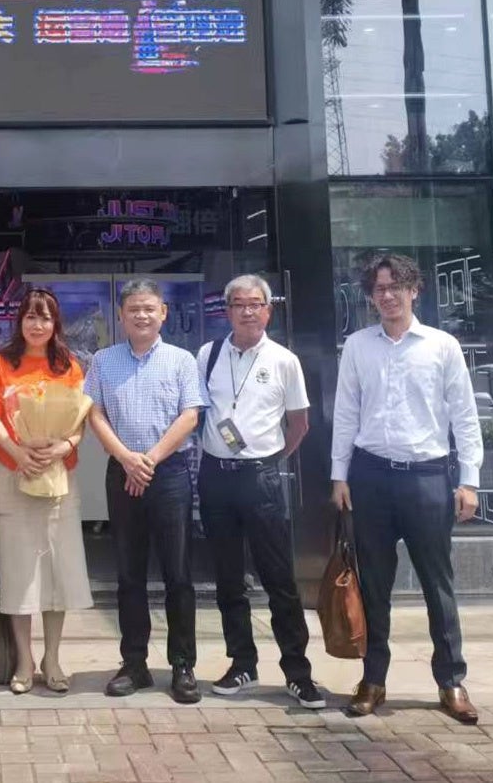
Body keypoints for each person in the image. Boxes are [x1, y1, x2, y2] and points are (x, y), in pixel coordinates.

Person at [331, 253, 483, 725]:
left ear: (415, 290)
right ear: (371, 296)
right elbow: (345, 413)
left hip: (427, 478)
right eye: (379, 288)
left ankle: (451, 681)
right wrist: (339, 474)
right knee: (374, 586)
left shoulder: (442, 346)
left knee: (438, 585)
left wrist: (470, 480)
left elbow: (465, 415)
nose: (388, 295)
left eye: (396, 286)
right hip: (371, 477)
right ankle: (373, 680)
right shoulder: (358, 346)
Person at [196, 275, 324, 708]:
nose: (247, 311)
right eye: (238, 304)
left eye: (255, 304)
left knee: (278, 578)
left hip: (261, 478)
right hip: (215, 476)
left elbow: (299, 424)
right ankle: (242, 663)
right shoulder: (208, 354)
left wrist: (270, 460)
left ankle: (298, 672)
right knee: (228, 578)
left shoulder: (285, 360)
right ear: (227, 310)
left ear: (268, 310)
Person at [84, 278, 205, 704]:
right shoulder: (103, 360)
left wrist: (148, 460)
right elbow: (94, 413)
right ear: (121, 315)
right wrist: (126, 459)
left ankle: (183, 665)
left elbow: (190, 416)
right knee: (129, 574)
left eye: (149, 307)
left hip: (168, 473)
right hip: (122, 473)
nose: (141, 315)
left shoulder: (181, 360)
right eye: (133, 308)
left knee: (178, 574)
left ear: (163, 313)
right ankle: (134, 663)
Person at [0, 287, 94, 695]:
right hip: (13, 474)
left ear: (55, 323)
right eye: (30, 316)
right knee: (19, 571)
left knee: (58, 570)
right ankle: (25, 661)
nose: (37, 324)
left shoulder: (69, 365)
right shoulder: (0, 364)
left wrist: (66, 446)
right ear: (20, 321)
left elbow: (81, 418)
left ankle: (53, 657)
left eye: (45, 317)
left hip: (58, 475)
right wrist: (16, 452)